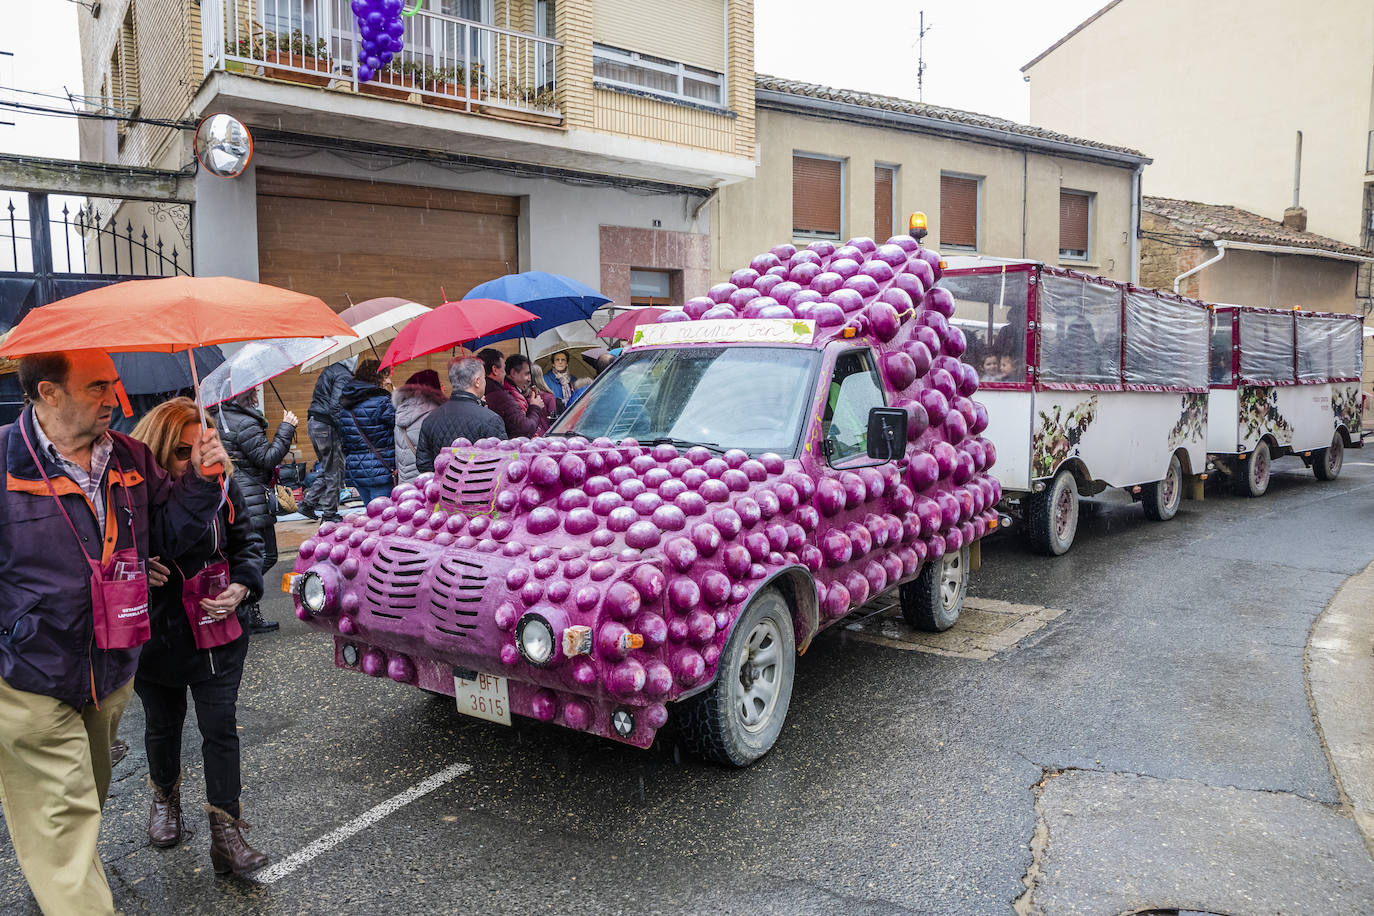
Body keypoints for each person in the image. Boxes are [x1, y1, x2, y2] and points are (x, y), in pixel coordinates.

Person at [0, 349, 228, 914]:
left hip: (112, 666)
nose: (114, 398)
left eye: (114, 383)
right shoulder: (4, 458)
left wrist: (201, 481)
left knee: (86, 797)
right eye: (98, 386)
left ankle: (60, 871)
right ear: (48, 393)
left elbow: (167, 533)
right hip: (28, 675)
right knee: (65, 808)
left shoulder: (128, 456)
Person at [129, 398, 270, 877]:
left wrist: (243, 584)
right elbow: (109, 554)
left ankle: (225, 834)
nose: (194, 459)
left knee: (220, 728)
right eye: (181, 452)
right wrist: (133, 566)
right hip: (159, 634)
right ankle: (165, 799)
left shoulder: (222, 484)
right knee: (162, 725)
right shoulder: (133, 496)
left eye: (200, 447)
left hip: (217, 629)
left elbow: (248, 543)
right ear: (158, 451)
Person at [215, 387, 298, 634]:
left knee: (244, 555)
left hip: (233, 495)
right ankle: (239, 601)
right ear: (248, 394)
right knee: (266, 556)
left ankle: (246, 611)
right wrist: (287, 427)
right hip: (250, 497)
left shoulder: (216, 418)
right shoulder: (245, 423)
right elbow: (267, 457)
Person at [415, 356, 506, 474]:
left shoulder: (430, 419)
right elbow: (502, 463)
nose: (485, 382)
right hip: (479, 489)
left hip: (443, 489)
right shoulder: (491, 419)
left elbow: (423, 464)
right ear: (477, 381)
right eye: (484, 378)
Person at [299, 356, 355, 523]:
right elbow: (336, 405)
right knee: (335, 470)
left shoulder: (330, 369)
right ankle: (329, 514)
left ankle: (308, 504)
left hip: (315, 422)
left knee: (329, 467)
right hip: (326, 425)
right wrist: (343, 430)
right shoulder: (343, 374)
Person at [336, 359, 397, 504]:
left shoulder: (345, 404)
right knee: (384, 519)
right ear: (375, 377)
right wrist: (397, 400)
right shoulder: (382, 401)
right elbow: (399, 425)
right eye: (385, 376)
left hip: (357, 472)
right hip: (381, 470)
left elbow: (345, 442)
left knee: (371, 517)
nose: (388, 380)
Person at [481, 349, 550, 439]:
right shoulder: (509, 396)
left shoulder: (509, 392)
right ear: (513, 373)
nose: (529, 379)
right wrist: (535, 407)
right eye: (527, 374)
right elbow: (525, 430)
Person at [392, 369, 445, 485]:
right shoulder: (435, 414)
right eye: (440, 384)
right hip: (427, 483)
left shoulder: (400, 411)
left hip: (405, 482)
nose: (443, 387)